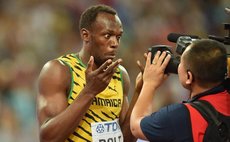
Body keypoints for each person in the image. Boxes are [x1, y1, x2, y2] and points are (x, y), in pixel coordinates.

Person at [37, 4, 135, 142]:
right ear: (86, 35)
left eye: (118, 37)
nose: (115, 43)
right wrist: (89, 92)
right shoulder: (59, 70)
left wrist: (141, 91)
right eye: (107, 35)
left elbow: (126, 139)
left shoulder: (120, 75)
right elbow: (48, 138)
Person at [130, 39, 230, 142]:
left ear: (189, 77)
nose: (177, 64)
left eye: (180, 61)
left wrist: (149, 83)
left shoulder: (179, 116)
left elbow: (136, 126)